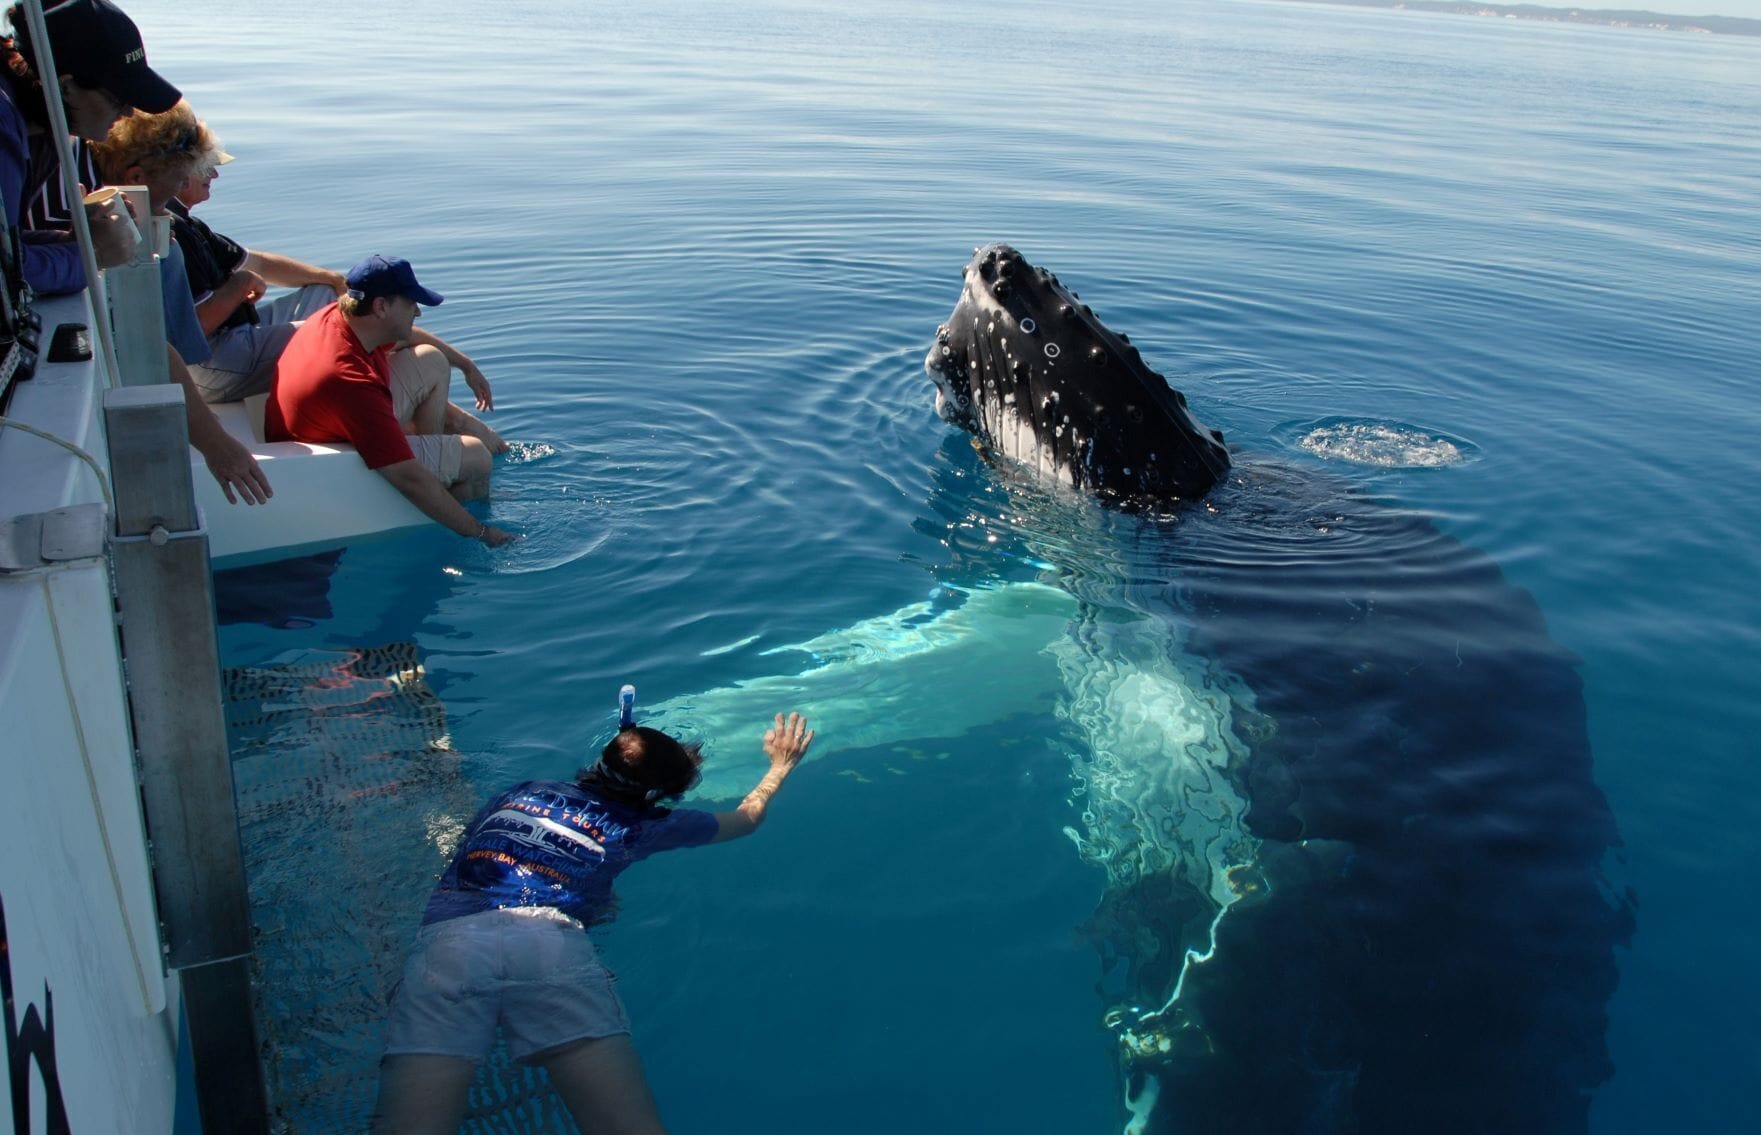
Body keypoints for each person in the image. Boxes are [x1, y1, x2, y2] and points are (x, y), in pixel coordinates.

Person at [371, 710, 815, 1135]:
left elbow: (477, 851)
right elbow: (746, 820)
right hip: (551, 948)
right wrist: (780, 765)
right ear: (655, 797)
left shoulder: (522, 792)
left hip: (452, 946)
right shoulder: (643, 827)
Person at [265, 255, 513, 546]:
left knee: (431, 360)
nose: (417, 312)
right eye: (410, 304)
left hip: (334, 419)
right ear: (381, 306)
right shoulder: (351, 381)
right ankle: (451, 515)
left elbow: (407, 337)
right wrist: (482, 533)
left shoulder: (343, 316)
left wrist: (466, 365)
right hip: (332, 456)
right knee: (476, 456)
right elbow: (406, 477)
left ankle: (441, 467)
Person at [164, 120, 347, 403]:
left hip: (235, 336)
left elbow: (257, 263)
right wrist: (240, 284)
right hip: (212, 362)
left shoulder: (188, 224)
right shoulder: (173, 232)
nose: (214, 174)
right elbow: (196, 330)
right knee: (351, 329)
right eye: (206, 167)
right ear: (181, 172)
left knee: (325, 294)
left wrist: (332, 278)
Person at [1, 0, 173, 293]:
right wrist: (94, 255)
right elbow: (7, 275)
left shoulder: (46, 125)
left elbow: (10, 245)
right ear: (66, 88)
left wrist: (75, 241)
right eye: (119, 98)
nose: (130, 112)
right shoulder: (5, 126)